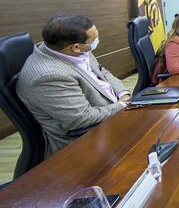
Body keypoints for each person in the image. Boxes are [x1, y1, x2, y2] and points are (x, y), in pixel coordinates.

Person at [17, 14, 131, 157]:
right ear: (76, 47)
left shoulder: (73, 49)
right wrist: (121, 105)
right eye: (94, 39)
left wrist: (123, 94)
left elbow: (102, 71)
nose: (96, 41)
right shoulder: (48, 76)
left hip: (115, 113)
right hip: (87, 140)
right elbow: (82, 119)